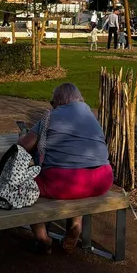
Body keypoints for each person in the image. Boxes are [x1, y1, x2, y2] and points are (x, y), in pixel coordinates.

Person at [17, 83, 113, 253]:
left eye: (52, 102)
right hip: (102, 178)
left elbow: (24, 145)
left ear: (59, 101)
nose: (51, 105)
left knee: (23, 187)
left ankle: (43, 238)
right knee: (78, 174)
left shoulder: (50, 117)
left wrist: (23, 135)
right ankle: (76, 224)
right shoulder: (90, 116)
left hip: (66, 181)